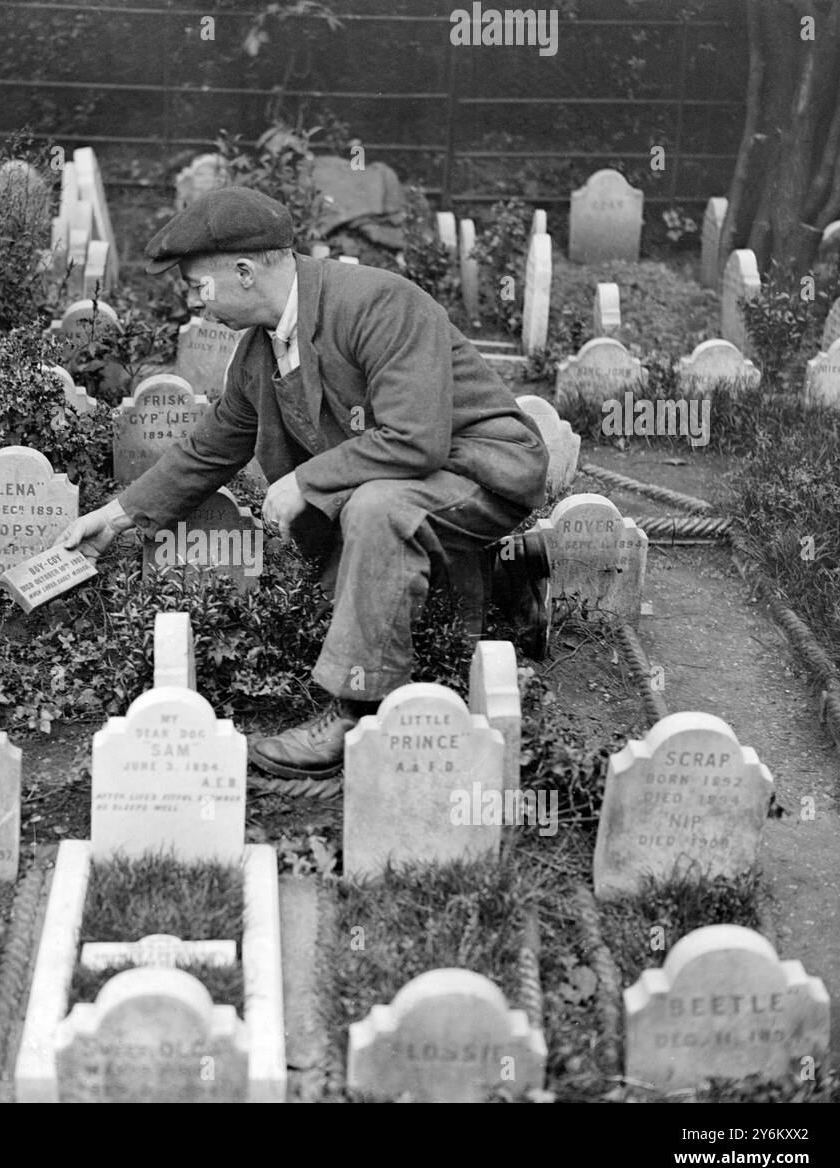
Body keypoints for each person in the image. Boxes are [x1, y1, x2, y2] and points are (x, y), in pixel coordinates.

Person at [54, 186, 548, 778]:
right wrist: (113, 517)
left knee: (375, 509)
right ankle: (502, 580)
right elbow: (211, 448)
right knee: (358, 524)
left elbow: (416, 439)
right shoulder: (259, 352)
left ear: (242, 272)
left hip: (482, 466)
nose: (194, 305)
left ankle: (355, 711)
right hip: (421, 478)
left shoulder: (379, 303)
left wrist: (304, 483)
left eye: (197, 286)